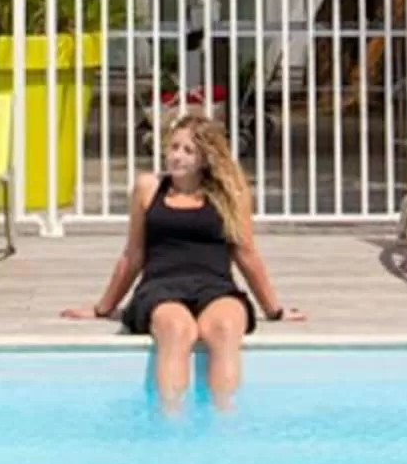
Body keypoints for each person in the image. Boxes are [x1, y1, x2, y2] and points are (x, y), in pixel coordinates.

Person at [62, 110, 301, 405]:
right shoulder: (148, 189)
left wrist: (274, 310)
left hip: (215, 287)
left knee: (225, 329)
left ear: (205, 158)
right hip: (162, 288)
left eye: (188, 150)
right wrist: (103, 308)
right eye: (173, 147)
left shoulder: (231, 193)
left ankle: (223, 423)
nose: (176, 156)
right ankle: (172, 425)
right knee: (178, 330)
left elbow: (246, 253)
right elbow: (132, 255)